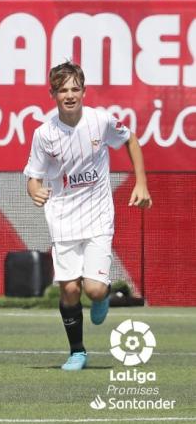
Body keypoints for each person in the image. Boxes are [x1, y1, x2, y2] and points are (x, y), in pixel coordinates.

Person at [24, 61, 152, 371]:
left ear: (83, 90)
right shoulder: (44, 134)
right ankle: (77, 351)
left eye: (74, 89)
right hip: (63, 219)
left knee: (92, 289)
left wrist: (141, 183)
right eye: (62, 90)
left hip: (98, 217)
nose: (69, 95)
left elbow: (131, 140)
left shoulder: (101, 121)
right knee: (69, 289)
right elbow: (33, 176)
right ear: (53, 94)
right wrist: (34, 190)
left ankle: (103, 294)